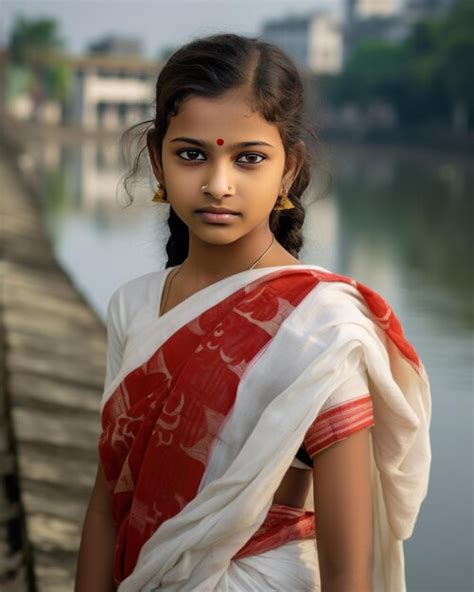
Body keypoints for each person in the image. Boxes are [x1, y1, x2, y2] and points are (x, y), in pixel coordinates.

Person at [75, 33, 432, 592]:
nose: (219, 184)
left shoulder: (322, 326)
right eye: (192, 154)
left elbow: (348, 572)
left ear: (288, 170)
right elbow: (106, 507)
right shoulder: (135, 306)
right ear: (157, 162)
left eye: (249, 159)